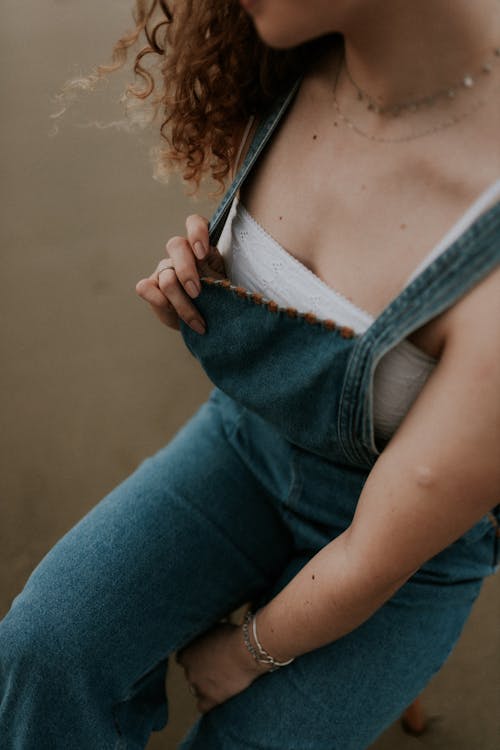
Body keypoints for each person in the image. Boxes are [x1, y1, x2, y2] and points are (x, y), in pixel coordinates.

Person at [1, 1, 499, 747]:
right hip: (242, 448)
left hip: (402, 565)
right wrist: (208, 292)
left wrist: (244, 654)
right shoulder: (291, 59)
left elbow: (371, 558)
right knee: (45, 648)